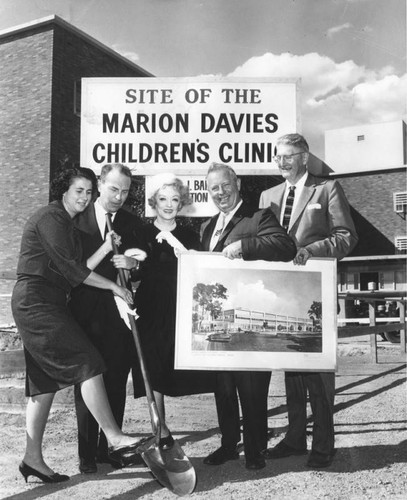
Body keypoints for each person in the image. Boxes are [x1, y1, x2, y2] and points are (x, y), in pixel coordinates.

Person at [11, 167, 144, 484]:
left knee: (43, 385)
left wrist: (105, 247)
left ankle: (32, 459)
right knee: (88, 362)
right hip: (37, 301)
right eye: (78, 191)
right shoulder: (52, 217)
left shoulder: (65, 223)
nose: (84, 197)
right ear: (64, 191)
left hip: (50, 301)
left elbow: (79, 267)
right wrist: (114, 287)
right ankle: (113, 436)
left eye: (87, 191)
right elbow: (74, 272)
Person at [259, 133, 358, 468]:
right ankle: (295, 438)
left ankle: (324, 444)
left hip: (317, 290)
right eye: (278, 157)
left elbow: (346, 236)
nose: (281, 163)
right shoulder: (267, 195)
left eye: (288, 156)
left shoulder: (326, 189)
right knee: (293, 370)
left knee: (318, 373)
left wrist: (311, 251)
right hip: (284, 293)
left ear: (304, 157)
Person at [201, 162, 296, 470]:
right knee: (224, 388)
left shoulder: (258, 217)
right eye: (214, 188)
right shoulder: (206, 227)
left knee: (252, 387)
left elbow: (285, 246)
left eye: (225, 185)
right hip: (221, 321)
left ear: (237, 183)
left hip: (250, 319)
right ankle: (229, 445)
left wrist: (245, 245)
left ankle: (255, 450)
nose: (220, 192)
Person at [69, 163, 146, 473]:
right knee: (87, 379)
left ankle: (109, 449)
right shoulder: (76, 220)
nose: (119, 196)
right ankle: (86, 453)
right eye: (114, 189)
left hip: (118, 316)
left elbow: (143, 267)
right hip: (84, 314)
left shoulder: (132, 223)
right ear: (99, 184)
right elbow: (74, 268)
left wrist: (134, 265)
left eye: (125, 191)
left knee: (115, 379)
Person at [133, 173, 215, 447]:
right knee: (151, 368)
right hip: (150, 306)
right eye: (163, 199)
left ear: (182, 204)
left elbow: (201, 274)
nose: (169, 204)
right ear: (154, 201)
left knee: (176, 365)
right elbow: (133, 274)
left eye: (175, 199)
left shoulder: (190, 235)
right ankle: (161, 430)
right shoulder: (142, 232)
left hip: (181, 307)